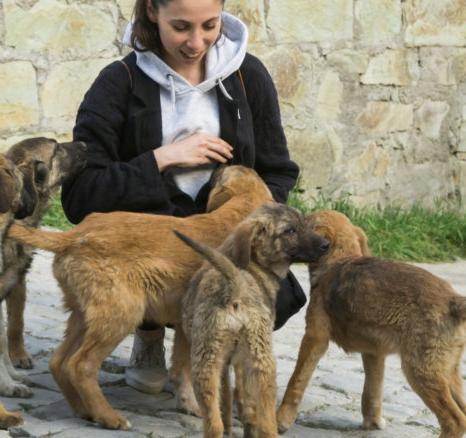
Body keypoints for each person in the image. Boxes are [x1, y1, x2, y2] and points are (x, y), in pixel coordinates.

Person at [60, 0, 306, 394]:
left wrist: (247, 218)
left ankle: (199, 349)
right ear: (153, 12)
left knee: (274, 292)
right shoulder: (118, 82)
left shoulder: (248, 76)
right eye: (181, 27)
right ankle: (150, 332)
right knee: (162, 251)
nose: (196, 42)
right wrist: (160, 159)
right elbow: (80, 193)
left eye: (209, 25)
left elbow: (277, 170)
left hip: (223, 237)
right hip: (153, 241)